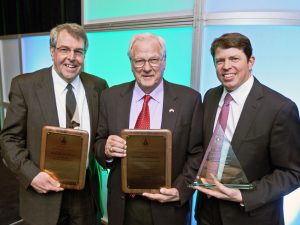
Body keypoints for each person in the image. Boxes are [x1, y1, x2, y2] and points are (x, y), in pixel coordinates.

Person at [0, 23, 108, 225]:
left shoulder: (98, 86)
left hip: (86, 195)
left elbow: (101, 136)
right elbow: (9, 139)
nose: (72, 57)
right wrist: (31, 176)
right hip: (43, 194)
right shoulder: (25, 86)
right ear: (52, 51)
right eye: (64, 49)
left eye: (78, 51)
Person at [94, 33, 203, 225]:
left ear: (164, 61)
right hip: (123, 206)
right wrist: (106, 150)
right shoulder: (110, 97)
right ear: (131, 62)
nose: (146, 68)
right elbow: (98, 142)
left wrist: (180, 190)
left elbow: (197, 154)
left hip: (168, 206)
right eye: (139, 61)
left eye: (153, 60)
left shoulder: (189, 100)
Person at [193, 32, 300, 225]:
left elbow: (293, 172)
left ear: (251, 61)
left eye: (234, 58)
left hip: (252, 216)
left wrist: (243, 195)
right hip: (207, 214)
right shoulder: (210, 97)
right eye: (220, 61)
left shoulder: (280, 108)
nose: (226, 67)